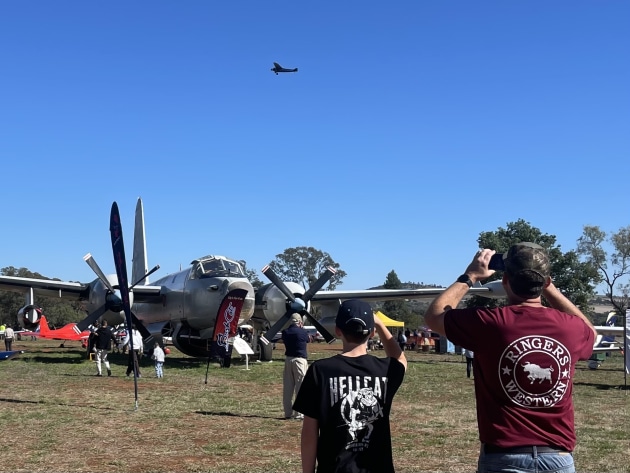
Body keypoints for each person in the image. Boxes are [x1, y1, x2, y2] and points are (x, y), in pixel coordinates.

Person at [424, 243, 596, 473]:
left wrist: (471, 276)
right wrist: (549, 288)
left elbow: (434, 316)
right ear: (545, 282)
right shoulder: (570, 328)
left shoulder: (491, 323)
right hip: (558, 457)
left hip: (503, 456)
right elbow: (591, 333)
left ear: (505, 281)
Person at [293, 299, 407, 473]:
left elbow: (310, 431)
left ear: (338, 331)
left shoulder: (320, 370)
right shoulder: (385, 370)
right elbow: (400, 359)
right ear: (372, 333)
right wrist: (380, 325)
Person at [281, 313, 310, 420]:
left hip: (288, 359)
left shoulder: (285, 332)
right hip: (300, 360)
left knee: (288, 387)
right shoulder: (303, 332)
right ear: (300, 322)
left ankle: (288, 413)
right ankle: (298, 414)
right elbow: (308, 339)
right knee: (300, 387)